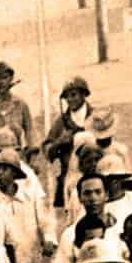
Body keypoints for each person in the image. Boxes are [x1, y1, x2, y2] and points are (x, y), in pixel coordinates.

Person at [43, 75, 93, 213]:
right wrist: (60, 142)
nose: (70, 100)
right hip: (70, 177)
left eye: (74, 95)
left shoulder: (94, 116)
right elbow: (47, 151)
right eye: (67, 97)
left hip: (95, 174)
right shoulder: (61, 122)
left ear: (84, 94)